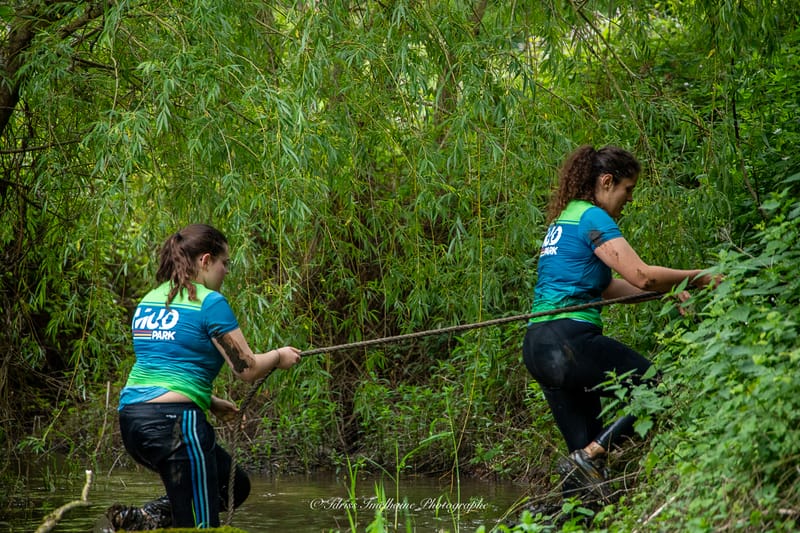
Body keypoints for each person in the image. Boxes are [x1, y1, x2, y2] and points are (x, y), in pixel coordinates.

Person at [522, 145, 715, 501]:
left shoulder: (563, 220)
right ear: (607, 181)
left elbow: (607, 287)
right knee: (657, 388)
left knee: (587, 481)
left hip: (538, 348)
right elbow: (641, 275)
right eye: (628, 189)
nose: (628, 199)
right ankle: (594, 453)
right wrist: (701, 276)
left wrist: (667, 291)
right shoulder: (593, 218)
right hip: (568, 342)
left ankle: (578, 494)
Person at [110, 223, 301, 529]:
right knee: (201, 525)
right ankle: (159, 518)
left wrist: (209, 401)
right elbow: (246, 368)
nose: (226, 272)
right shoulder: (210, 303)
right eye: (225, 263)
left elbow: (165, 365)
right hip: (177, 426)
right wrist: (279, 356)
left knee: (233, 485)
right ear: (205, 261)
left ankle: (147, 518)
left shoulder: (149, 300)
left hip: (132, 420)